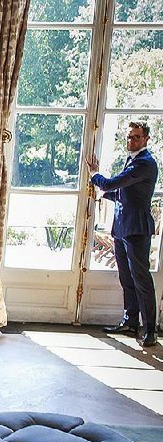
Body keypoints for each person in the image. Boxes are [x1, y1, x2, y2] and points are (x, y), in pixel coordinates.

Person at [86, 121, 159, 347]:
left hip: (137, 229)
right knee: (126, 278)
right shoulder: (132, 160)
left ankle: (149, 330)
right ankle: (130, 321)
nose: (131, 141)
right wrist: (102, 194)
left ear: (146, 139)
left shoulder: (145, 164)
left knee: (142, 281)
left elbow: (112, 184)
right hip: (121, 228)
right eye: (129, 137)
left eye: (136, 137)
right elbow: (122, 194)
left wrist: (95, 175)